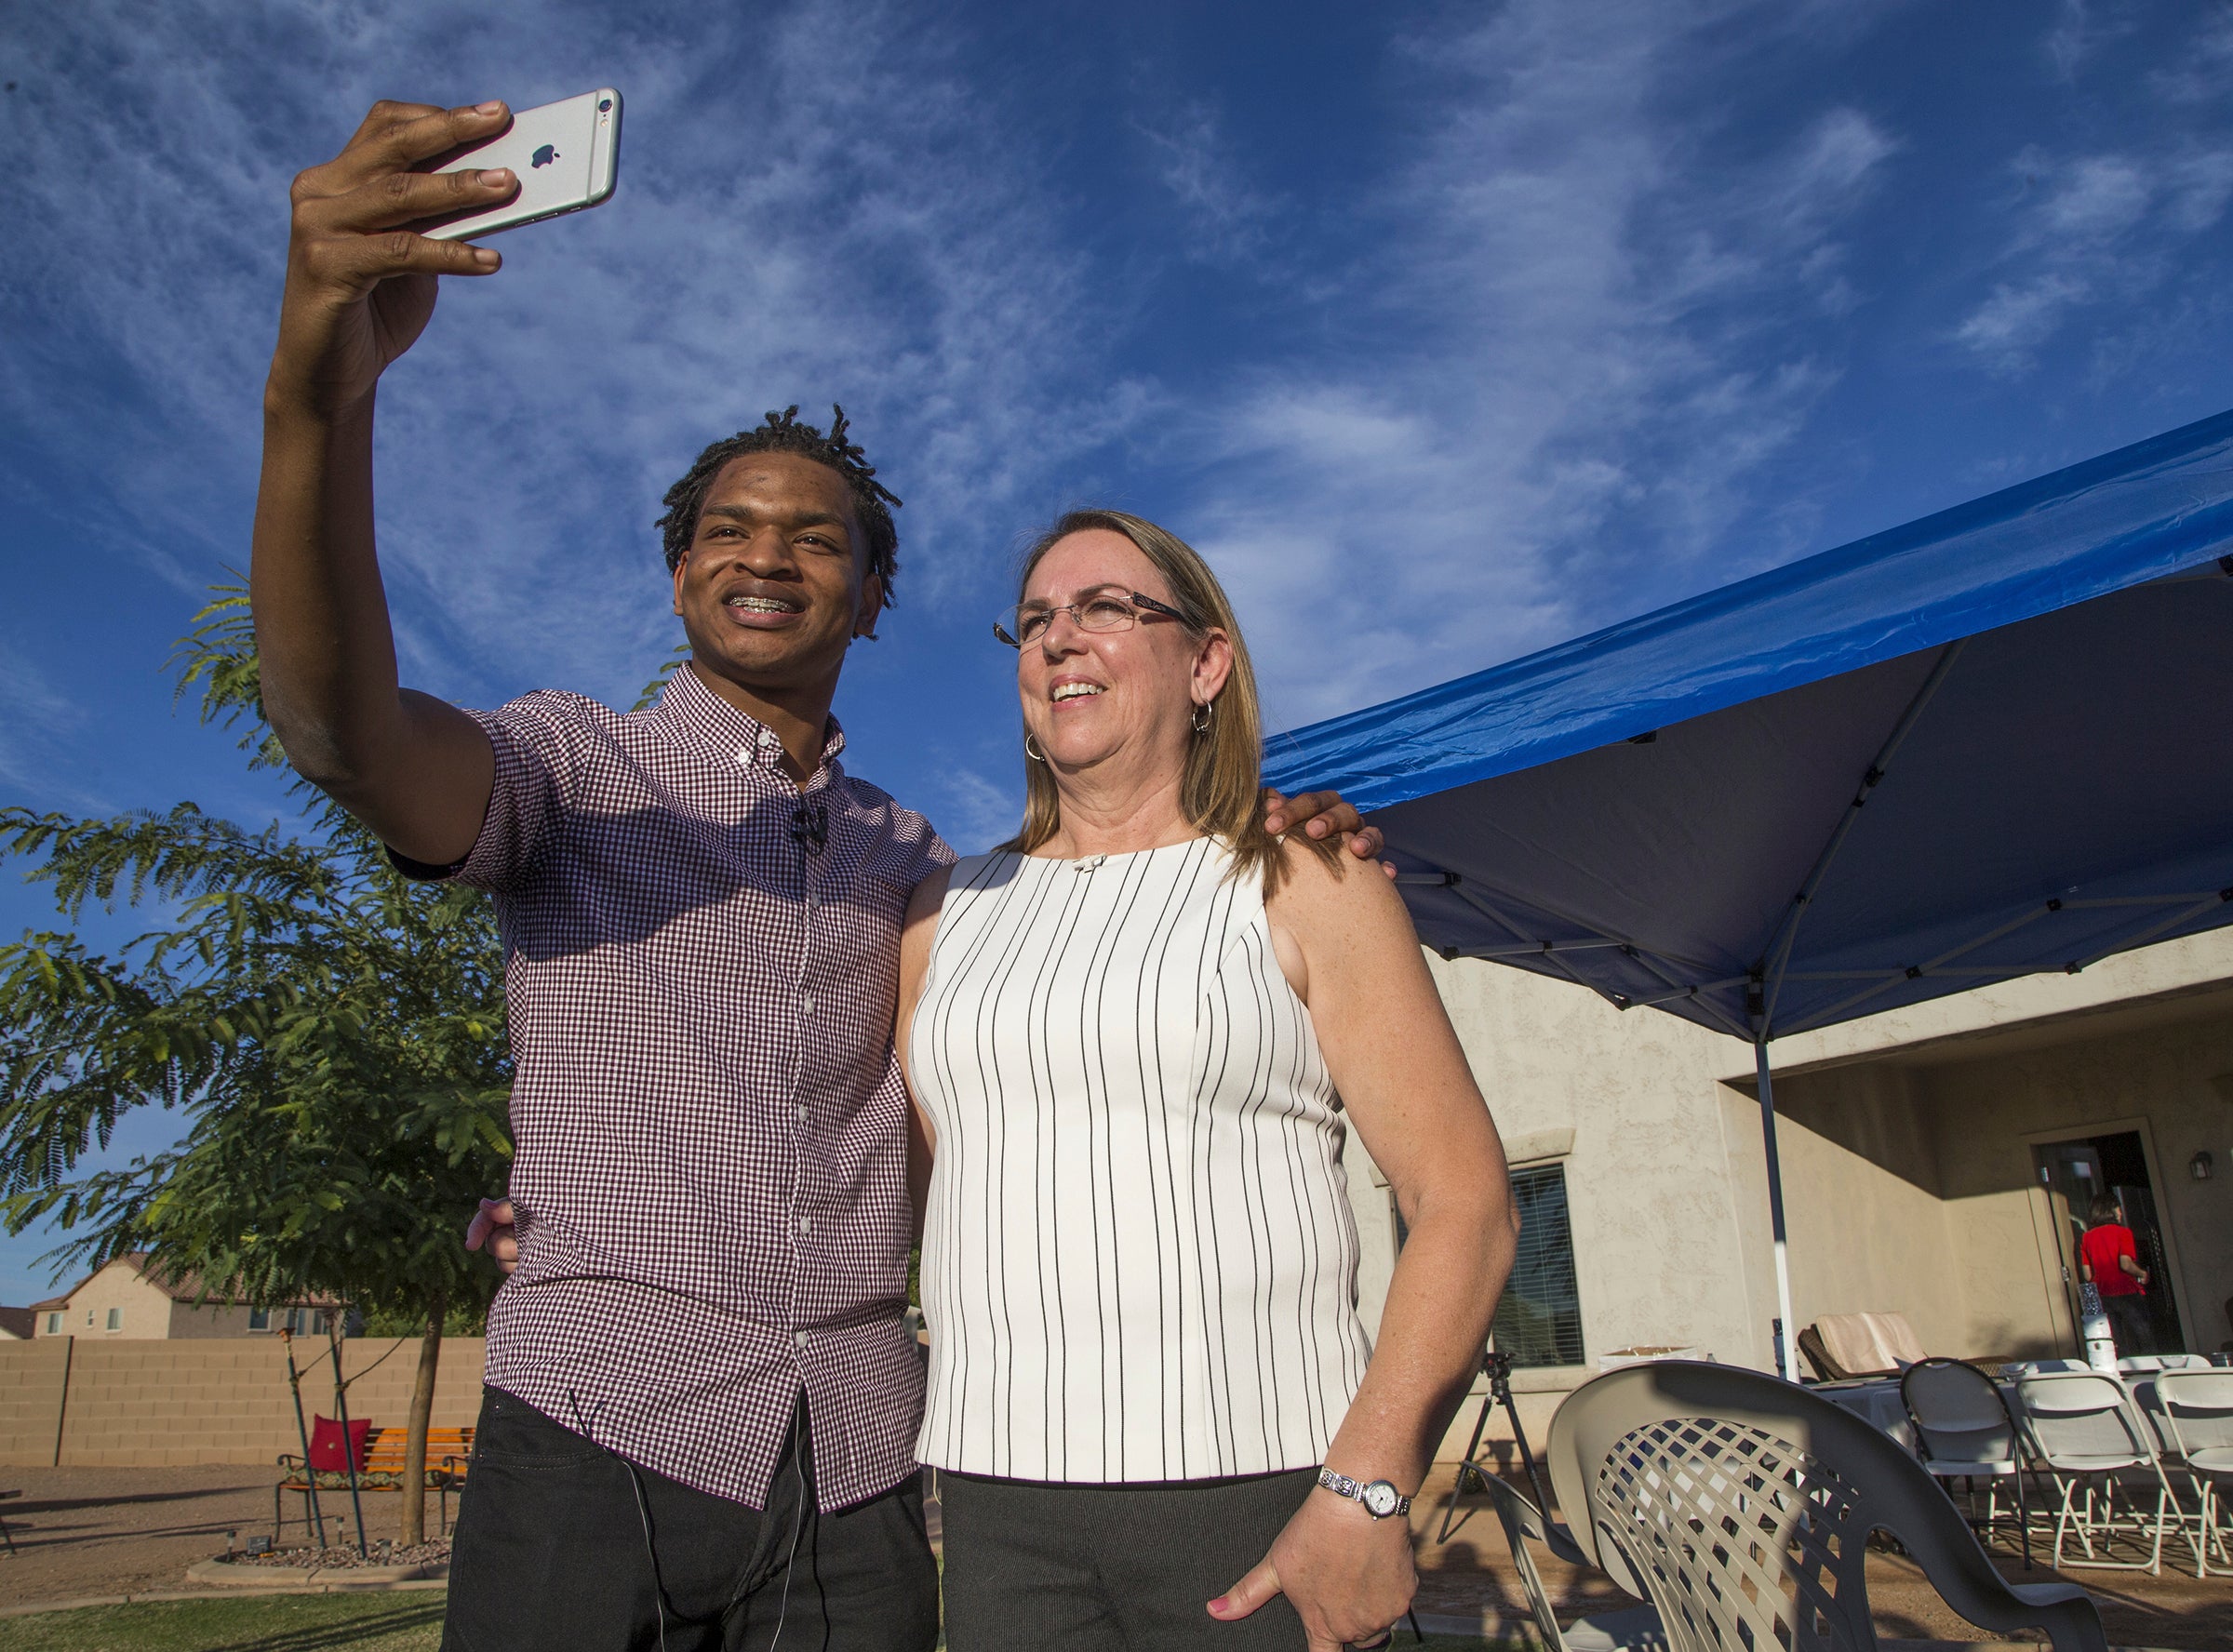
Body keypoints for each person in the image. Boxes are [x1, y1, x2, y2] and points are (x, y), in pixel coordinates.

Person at [250, 99, 1383, 1652]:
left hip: (855, 1469)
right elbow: (344, 729)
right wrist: (318, 391)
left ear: (871, 595)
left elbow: (1033, 1041)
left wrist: (1265, 821)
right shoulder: (570, 769)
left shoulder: (925, 871)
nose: (768, 553)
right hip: (598, 1430)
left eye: (815, 537)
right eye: (728, 529)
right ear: (680, 575)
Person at [897, 511, 1520, 1652]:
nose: (1059, 638)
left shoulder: (1306, 878)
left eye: (1105, 608)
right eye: (1034, 620)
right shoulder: (944, 916)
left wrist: (1370, 1487)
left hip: (1259, 1496)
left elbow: (1465, 1202)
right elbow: (921, 1193)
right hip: (995, 1510)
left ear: (1207, 664)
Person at [2078, 1192, 2152, 1357]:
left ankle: (2121, 1367)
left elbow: (2088, 1275)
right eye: (2118, 1208)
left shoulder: (2087, 1238)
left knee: (2115, 1341)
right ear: (2109, 1210)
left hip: (2103, 1294)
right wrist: (2142, 1273)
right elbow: (2125, 1263)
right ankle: (2149, 1365)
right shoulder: (2123, 1233)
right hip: (2126, 1291)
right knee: (2143, 1335)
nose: (2120, 1212)